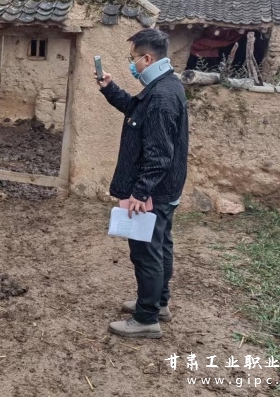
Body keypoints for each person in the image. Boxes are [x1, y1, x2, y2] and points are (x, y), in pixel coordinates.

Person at [96, 28, 189, 338]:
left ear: (147, 59)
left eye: (133, 58)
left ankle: (146, 318)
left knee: (146, 253)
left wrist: (140, 191)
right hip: (164, 189)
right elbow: (137, 112)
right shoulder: (163, 86)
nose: (131, 64)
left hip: (153, 192)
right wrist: (110, 89)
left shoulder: (162, 96)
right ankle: (157, 303)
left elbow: (159, 153)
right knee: (160, 247)